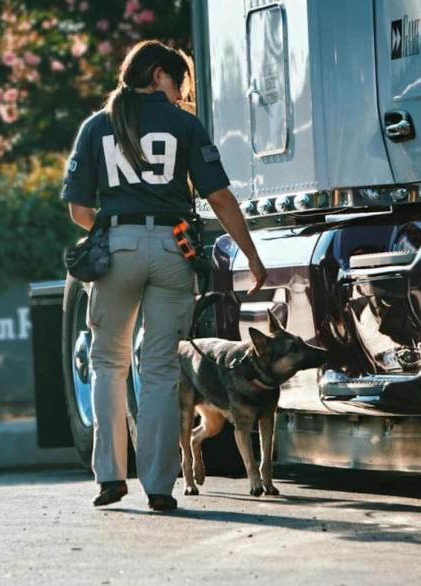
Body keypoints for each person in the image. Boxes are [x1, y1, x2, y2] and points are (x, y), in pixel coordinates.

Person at [62, 39, 267, 512]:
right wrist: (250, 255)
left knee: (107, 364)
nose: (180, 95)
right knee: (157, 371)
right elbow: (218, 198)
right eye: (178, 84)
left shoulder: (96, 127)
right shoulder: (184, 125)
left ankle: (111, 478)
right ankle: (159, 486)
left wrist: (117, 231)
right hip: (173, 250)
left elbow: (78, 209)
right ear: (158, 75)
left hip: (116, 250)